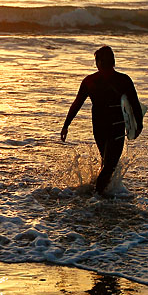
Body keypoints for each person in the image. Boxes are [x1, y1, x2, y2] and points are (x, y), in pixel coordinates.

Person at [60, 45, 143, 194]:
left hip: (99, 127)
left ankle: (98, 194)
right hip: (115, 128)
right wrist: (139, 126)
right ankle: (97, 198)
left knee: (107, 163)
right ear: (113, 61)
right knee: (109, 165)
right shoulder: (123, 80)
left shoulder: (90, 81)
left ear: (98, 62)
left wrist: (66, 125)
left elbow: (77, 104)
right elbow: (135, 105)